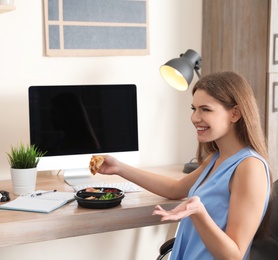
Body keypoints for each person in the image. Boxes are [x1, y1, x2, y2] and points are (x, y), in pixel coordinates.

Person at [97, 71, 272, 259]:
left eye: (205, 109)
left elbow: (234, 256)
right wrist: (119, 168)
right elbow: (175, 189)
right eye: (194, 108)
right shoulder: (216, 158)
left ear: (235, 113)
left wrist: (198, 212)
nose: (195, 118)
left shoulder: (250, 167)